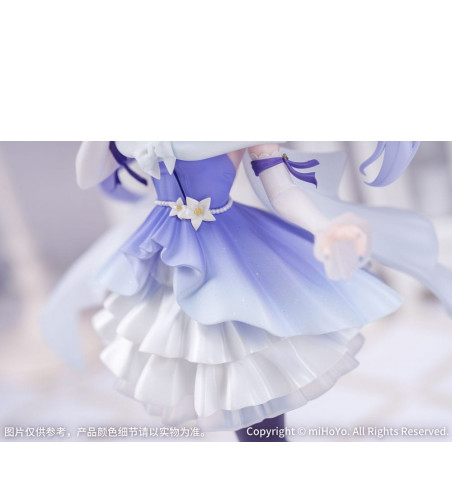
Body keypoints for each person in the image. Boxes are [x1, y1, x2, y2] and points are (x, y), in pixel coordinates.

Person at [42, 141, 452, 441]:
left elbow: (283, 190)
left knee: (250, 379)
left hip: (227, 253)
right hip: (164, 254)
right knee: (203, 371)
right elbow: (87, 175)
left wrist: (323, 227)